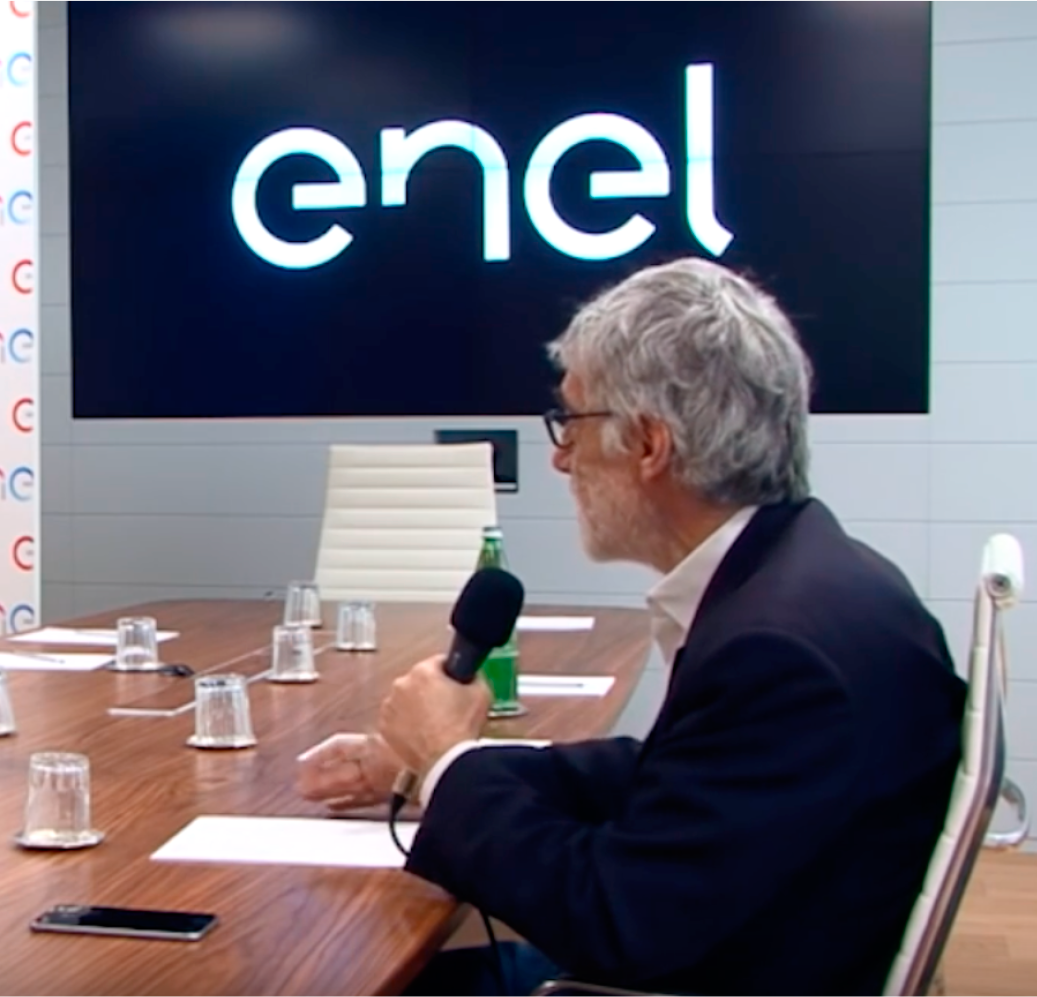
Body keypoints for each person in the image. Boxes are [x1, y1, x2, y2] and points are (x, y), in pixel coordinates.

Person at [298, 259, 964, 994]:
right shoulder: (813, 579)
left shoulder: (778, 649)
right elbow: (674, 775)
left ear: (649, 444)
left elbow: (617, 922)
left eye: (572, 423)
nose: (560, 458)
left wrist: (450, 763)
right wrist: (421, 766)